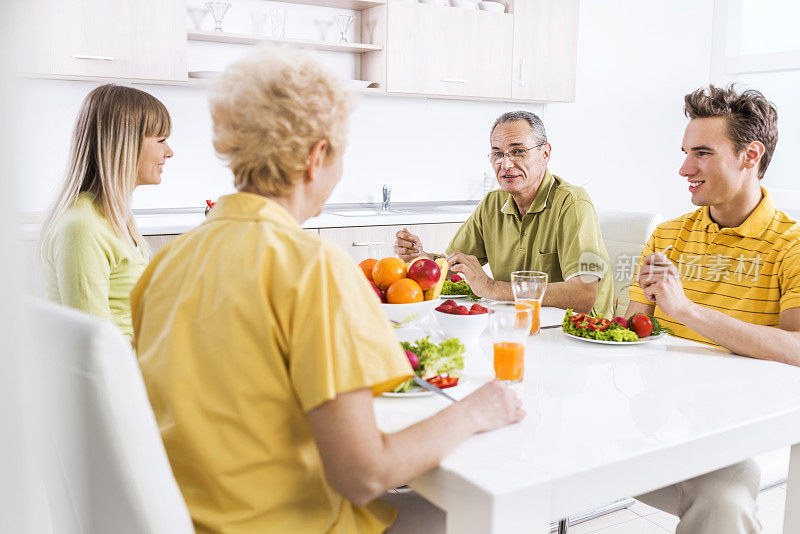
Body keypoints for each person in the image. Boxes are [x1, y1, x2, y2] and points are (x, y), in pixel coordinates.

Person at [131, 46, 523, 534]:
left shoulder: (167, 261)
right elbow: (365, 473)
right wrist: (474, 411)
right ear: (318, 156)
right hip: (288, 525)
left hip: (192, 521)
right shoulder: (311, 267)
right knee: (494, 518)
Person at [624, 84, 800, 533]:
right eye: (685, 152)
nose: (685, 168)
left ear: (750, 154)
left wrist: (687, 311)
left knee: (724, 503)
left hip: (729, 425)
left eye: (702, 153)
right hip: (650, 411)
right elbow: (629, 329)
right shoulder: (669, 235)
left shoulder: (791, 246)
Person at [395, 111, 613, 316]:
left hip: (574, 335)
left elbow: (583, 296)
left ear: (545, 154)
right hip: (517, 322)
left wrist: (492, 288)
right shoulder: (493, 203)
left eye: (518, 151)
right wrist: (421, 257)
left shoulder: (572, 203)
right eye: (498, 154)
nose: (506, 164)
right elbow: (453, 267)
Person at [40, 84, 173, 338]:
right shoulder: (82, 227)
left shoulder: (113, 215)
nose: (169, 152)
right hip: (125, 374)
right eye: (161, 140)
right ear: (125, 143)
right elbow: (94, 347)